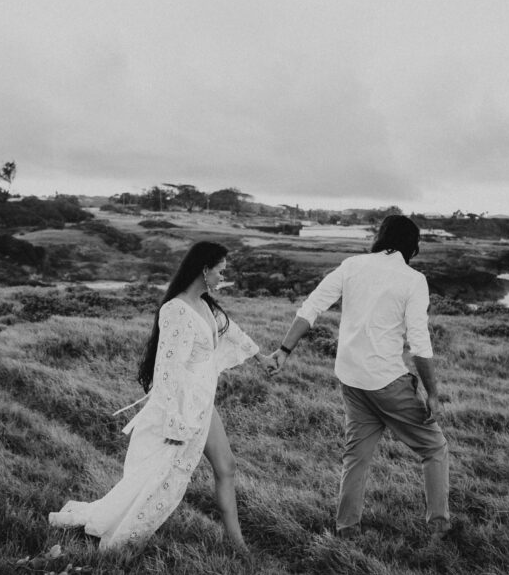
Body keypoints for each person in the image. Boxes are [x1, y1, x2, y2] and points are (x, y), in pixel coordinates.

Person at [49, 241, 273, 552]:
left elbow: (230, 330)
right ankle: (121, 541)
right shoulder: (176, 310)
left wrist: (262, 357)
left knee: (227, 467)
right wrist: (175, 422)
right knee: (156, 480)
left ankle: (237, 545)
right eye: (221, 271)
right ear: (205, 270)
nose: (224, 277)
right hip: (179, 412)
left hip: (203, 406)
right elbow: (169, 371)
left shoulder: (206, 305)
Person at [269, 214, 450, 540]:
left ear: (382, 238)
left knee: (356, 458)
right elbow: (419, 344)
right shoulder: (413, 280)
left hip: (352, 380)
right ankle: (439, 528)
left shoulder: (352, 265)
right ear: (412, 246)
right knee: (434, 448)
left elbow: (312, 306)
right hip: (386, 382)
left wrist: (284, 349)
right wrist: (432, 393)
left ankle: (347, 529)